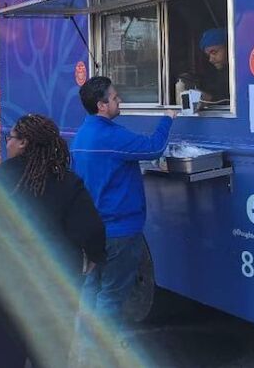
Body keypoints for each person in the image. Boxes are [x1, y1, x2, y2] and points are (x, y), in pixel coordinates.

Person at [0, 114, 106, 368]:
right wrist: (94, 257)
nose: (7, 142)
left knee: (5, 351)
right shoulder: (67, 181)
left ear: (24, 143)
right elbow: (91, 229)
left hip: (0, 280)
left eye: (12, 137)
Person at [71, 77, 176, 359]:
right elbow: (154, 147)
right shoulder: (110, 137)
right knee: (112, 296)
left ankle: (83, 350)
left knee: (92, 291)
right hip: (119, 231)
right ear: (101, 105)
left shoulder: (82, 135)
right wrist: (168, 117)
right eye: (115, 98)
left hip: (93, 229)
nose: (120, 102)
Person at [198, 28, 230, 104]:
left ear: (228, 47)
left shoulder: (242, 72)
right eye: (208, 55)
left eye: (214, 52)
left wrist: (210, 98)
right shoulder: (213, 75)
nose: (211, 60)